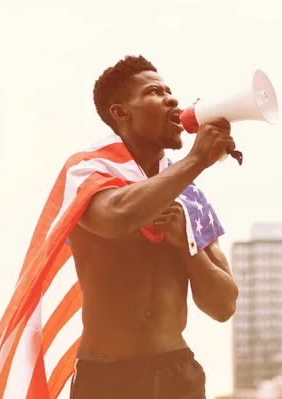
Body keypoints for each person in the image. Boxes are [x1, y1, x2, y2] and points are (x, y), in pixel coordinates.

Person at [67, 55, 239, 399]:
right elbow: (117, 219)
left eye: (170, 91)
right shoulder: (88, 173)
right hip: (106, 377)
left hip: (176, 373)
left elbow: (224, 305)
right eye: (155, 92)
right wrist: (196, 160)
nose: (172, 99)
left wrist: (185, 244)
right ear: (121, 112)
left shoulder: (190, 195)